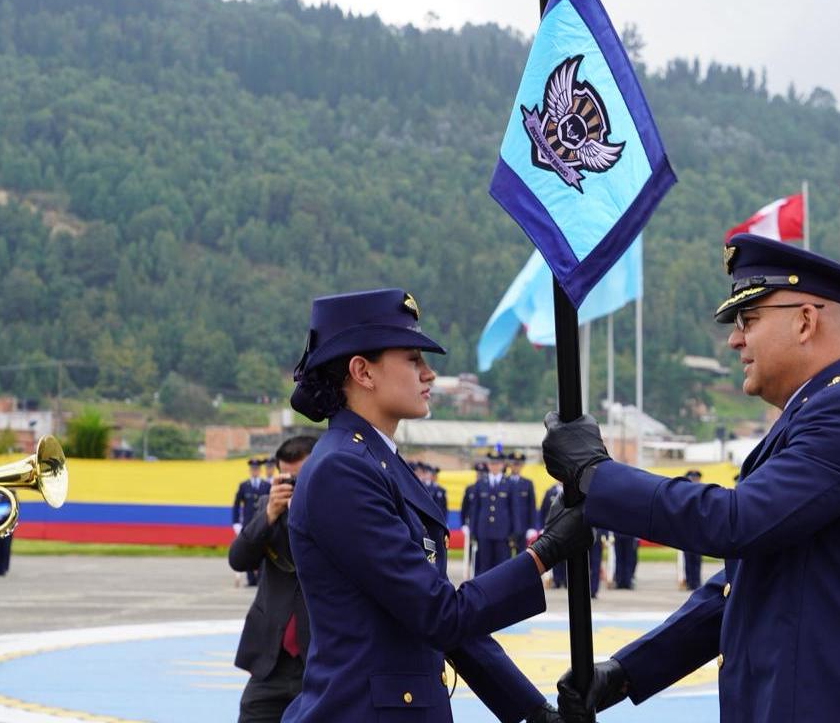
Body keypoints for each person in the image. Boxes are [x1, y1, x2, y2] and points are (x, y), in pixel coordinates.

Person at [545, 235, 840, 722]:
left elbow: (735, 521)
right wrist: (625, 672)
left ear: (805, 321)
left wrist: (596, 476)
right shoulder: (816, 414)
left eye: (749, 319)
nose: (735, 340)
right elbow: (744, 584)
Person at [282, 288, 588, 722]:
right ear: (362, 372)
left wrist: (534, 712)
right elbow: (440, 615)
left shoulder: (376, 462)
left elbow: (438, 622)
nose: (428, 374)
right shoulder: (343, 471)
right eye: (413, 359)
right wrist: (544, 553)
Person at [229, 435, 318, 722]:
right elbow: (239, 560)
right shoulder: (270, 506)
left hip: (317, 660)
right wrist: (269, 515)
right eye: (287, 478)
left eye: (300, 478)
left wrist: (305, 512)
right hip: (270, 659)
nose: (293, 485)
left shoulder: (337, 510)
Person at [473, 451, 516, 575]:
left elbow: (514, 510)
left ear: (502, 465)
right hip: (484, 531)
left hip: (503, 533)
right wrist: (473, 530)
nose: (494, 466)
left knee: (502, 567)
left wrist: (514, 532)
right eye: (492, 463)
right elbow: (475, 509)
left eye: (497, 463)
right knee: (484, 566)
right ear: (488, 465)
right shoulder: (480, 483)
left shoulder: (510, 484)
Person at [233, 458, 272, 587]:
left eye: (256, 469)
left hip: (262, 521)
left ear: (260, 470)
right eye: (252, 469)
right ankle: (251, 579)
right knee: (248, 548)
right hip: (248, 523)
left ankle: (261, 578)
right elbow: (236, 505)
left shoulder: (266, 486)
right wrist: (236, 522)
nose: (254, 471)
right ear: (250, 470)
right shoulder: (244, 486)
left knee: (262, 548)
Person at [678, 470, 704, 590]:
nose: (695, 481)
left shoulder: (702, 495)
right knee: (688, 559)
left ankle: (696, 581)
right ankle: (690, 581)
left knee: (697, 559)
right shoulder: (683, 496)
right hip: (687, 533)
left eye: (696, 479)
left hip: (698, 533)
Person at [508, 453, 538, 554]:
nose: (516, 467)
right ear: (509, 465)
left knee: (521, 556)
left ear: (522, 466)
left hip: (523, 526)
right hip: (507, 526)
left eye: (519, 464)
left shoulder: (527, 483)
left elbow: (532, 507)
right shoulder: (504, 482)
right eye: (514, 464)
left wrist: (532, 527)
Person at [539, 481, 567, 589]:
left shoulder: (572, 489)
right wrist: (542, 527)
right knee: (556, 555)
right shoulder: (550, 492)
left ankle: (567, 580)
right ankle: (557, 580)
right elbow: (543, 511)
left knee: (567, 555)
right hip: (554, 528)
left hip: (568, 528)